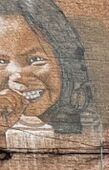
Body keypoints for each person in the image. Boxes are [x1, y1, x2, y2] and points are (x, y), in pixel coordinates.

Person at [0, 0, 94, 149]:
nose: (16, 76)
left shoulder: (92, 130)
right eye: (1, 62)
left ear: (65, 63)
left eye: (35, 59)